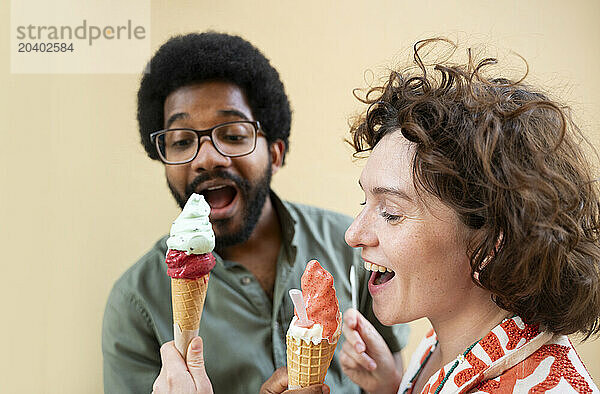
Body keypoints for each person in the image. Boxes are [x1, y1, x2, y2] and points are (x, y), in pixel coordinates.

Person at [102, 31, 409, 394]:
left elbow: (393, 380)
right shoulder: (137, 303)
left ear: (275, 153)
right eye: (182, 141)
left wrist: (389, 385)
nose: (207, 158)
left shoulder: (357, 249)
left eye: (232, 134)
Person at [338, 38, 600, 393]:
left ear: (490, 242)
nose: (353, 234)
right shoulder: (446, 338)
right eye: (364, 202)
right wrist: (391, 387)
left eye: (390, 213)